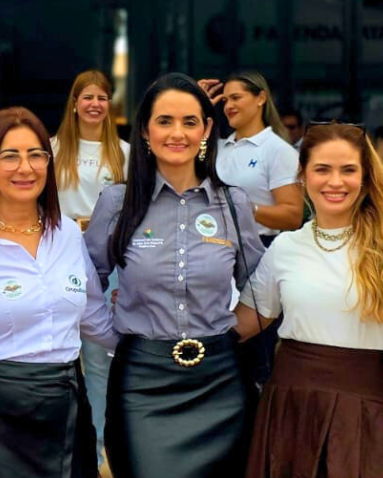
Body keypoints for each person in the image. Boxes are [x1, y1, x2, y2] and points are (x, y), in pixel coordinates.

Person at [85, 73, 265, 478]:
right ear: (145, 132)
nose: (177, 133)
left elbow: (262, 288)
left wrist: (226, 334)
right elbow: (83, 285)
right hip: (141, 384)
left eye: (189, 122)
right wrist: (119, 335)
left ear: (206, 130)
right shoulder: (117, 203)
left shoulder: (233, 204)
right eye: (164, 121)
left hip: (221, 383)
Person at [0, 107, 117, 478]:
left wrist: (160, 336)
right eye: (10, 156)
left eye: (35, 155)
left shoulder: (69, 236)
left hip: (66, 415)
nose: (25, 168)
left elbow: (98, 323)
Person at [236, 123, 383, 478]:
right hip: (291, 407)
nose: (335, 182)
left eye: (348, 170)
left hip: (369, 410)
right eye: (322, 169)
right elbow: (242, 325)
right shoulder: (285, 247)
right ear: (302, 174)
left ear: (365, 176)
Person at [52, 69, 129, 471]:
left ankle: (102, 451)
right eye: (88, 97)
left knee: (101, 358)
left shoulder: (127, 153)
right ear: (75, 102)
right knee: (57, 354)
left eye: (102, 97)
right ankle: (64, 448)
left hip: (107, 261)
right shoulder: (51, 149)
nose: (95, 104)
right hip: (59, 259)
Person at [198, 72, 303, 245]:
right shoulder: (217, 147)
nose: (228, 106)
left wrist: (246, 208)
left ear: (261, 98)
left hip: (256, 250)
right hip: (212, 248)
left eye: (236, 98)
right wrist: (197, 107)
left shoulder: (278, 150)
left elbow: (292, 216)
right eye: (225, 100)